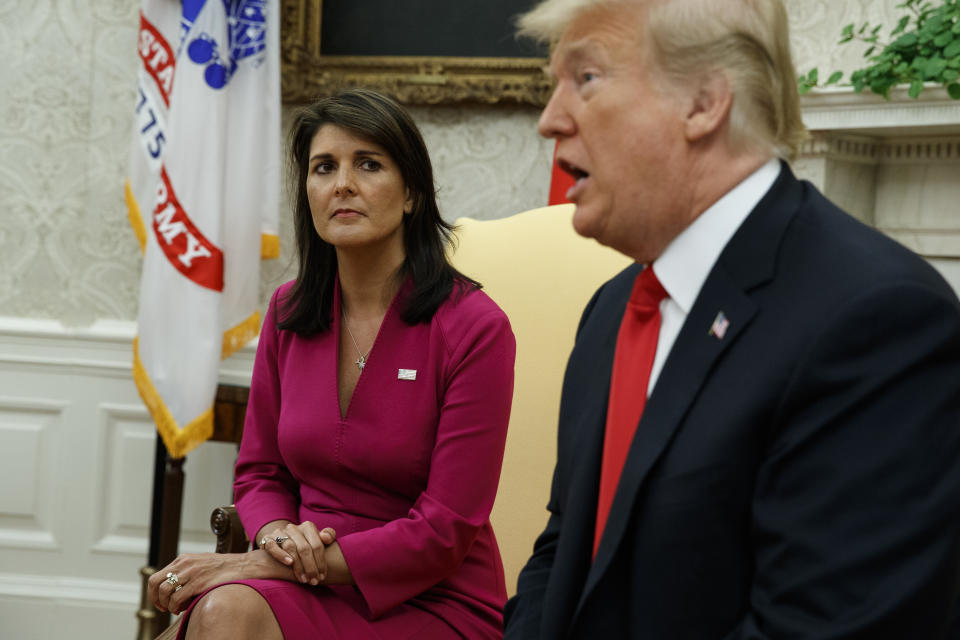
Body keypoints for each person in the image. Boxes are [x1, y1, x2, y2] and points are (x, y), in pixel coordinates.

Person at [504, 1, 960, 638]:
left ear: (702, 102)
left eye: (586, 79)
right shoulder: (613, 310)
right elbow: (562, 553)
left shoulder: (880, 322)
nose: (550, 121)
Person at [148, 88, 516, 639]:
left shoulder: (475, 328)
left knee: (223, 608)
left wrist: (255, 563)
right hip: (300, 581)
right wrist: (274, 535)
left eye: (368, 164)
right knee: (223, 611)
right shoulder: (289, 312)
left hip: (432, 599)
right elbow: (260, 471)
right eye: (324, 167)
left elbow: (444, 532)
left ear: (412, 192)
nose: (342, 183)